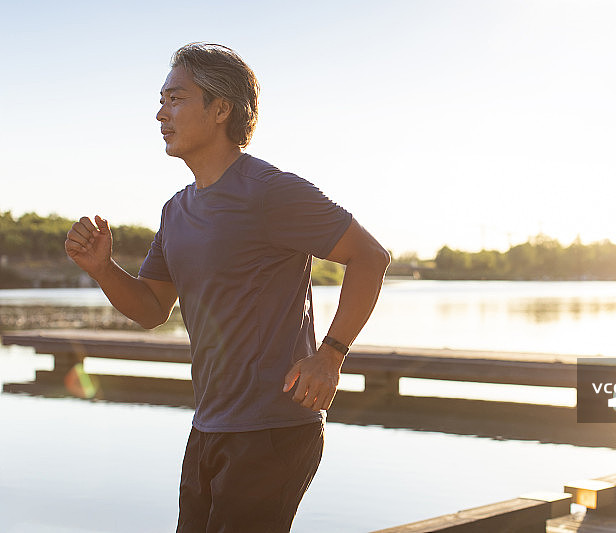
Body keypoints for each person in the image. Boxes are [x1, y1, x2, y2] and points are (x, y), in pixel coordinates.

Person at [64, 42, 390, 532]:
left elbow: (370, 256)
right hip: (208, 426)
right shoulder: (176, 211)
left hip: (273, 429)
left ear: (221, 109)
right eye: (161, 100)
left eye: (176, 99)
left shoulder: (271, 191)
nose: (161, 114)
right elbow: (152, 309)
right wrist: (103, 269)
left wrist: (330, 355)